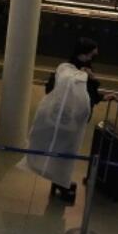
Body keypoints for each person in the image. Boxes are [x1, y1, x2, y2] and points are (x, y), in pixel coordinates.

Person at [25, 61, 94, 203]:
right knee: (64, 158)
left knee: (58, 156)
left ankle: (59, 182)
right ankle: (61, 183)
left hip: (58, 125)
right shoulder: (80, 93)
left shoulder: (57, 92)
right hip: (69, 130)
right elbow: (84, 112)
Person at [45, 37, 106, 109]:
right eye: (92, 55)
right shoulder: (66, 68)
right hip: (68, 113)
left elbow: (90, 94)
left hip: (81, 114)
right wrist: (77, 77)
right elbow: (50, 90)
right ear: (83, 54)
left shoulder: (87, 67)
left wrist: (102, 97)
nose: (91, 58)